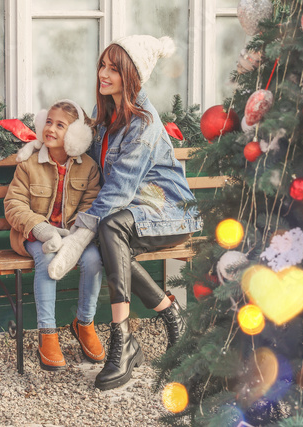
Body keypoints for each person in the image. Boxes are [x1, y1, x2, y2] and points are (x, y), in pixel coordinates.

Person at [46, 35, 200, 391]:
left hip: (168, 211)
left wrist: (81, 229)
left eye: (114, 69)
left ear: (132, 75)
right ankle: (167, 310)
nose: (104, 74)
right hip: (129, 215)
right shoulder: (106, 120)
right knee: (109, 237)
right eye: (103, 65)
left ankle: (122, 339)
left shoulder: (143, 124)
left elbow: (118, 191)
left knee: (108, 226)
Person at [3, 99, 104, 371]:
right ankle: (47, 333)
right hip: (34, 236)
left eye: (61, 125)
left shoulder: (89, 168)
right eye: (48, 122)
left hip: (73, 237)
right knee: (47, 262)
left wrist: (74, 235)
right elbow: (14, 204)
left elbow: (91, 206)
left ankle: (85, 324)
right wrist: (42, 229)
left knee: (94, 260)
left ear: (75, 136)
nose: (51, 129)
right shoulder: (28, 164)